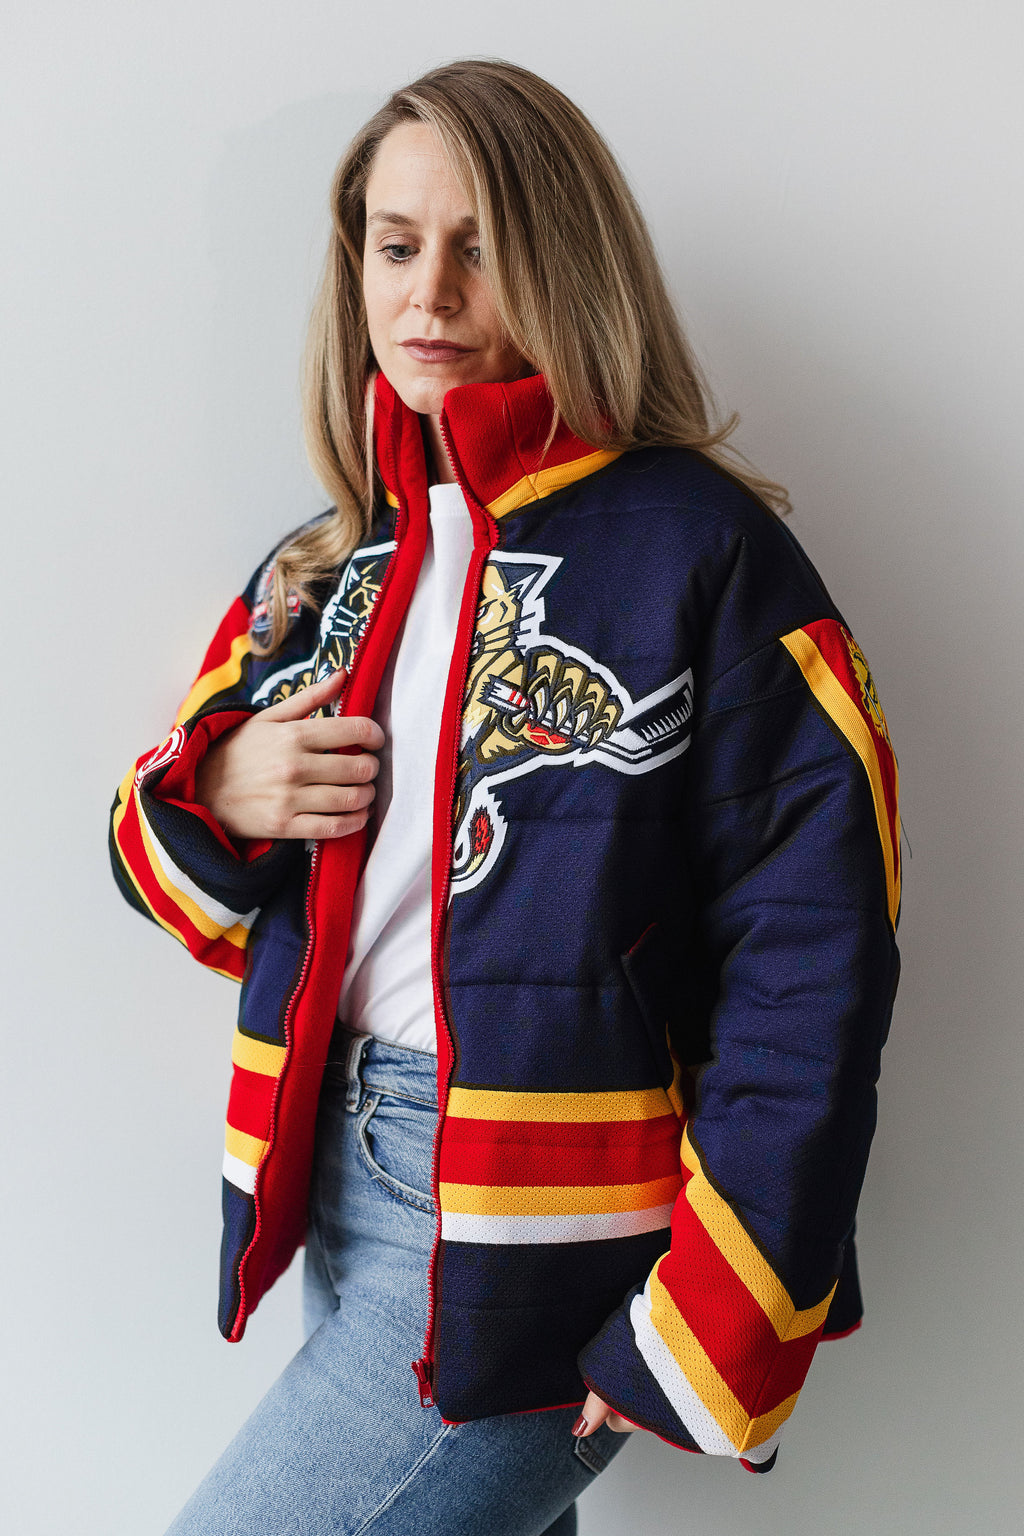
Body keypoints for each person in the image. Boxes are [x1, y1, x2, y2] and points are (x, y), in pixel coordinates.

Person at [109, 58, 901, 1535]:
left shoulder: (703, 554)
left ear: (568, 264)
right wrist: (217, 786)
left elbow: (815, 960)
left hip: (549, 1213)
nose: (431, 295)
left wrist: (719, 1309)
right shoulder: (323, 566)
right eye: (396, 246)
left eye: (482, 248)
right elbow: (174, 890)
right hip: (340, 1166)